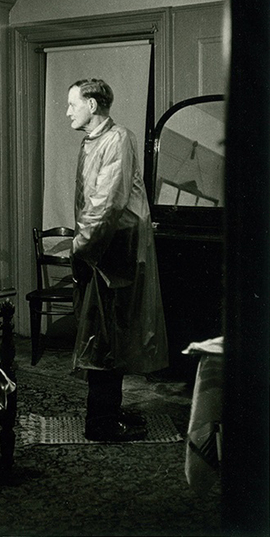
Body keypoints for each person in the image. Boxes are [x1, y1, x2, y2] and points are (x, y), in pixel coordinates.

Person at [66, 78, 168, 442]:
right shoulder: (93, 141)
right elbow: (91, 201)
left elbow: (107, 203)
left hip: (114, 253)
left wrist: (82, 247)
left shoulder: (118, 139)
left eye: (73, 105)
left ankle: (104, 421)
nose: (68, 113)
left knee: (110, 337)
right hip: (102, 250)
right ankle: (103, 419)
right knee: (103, 337)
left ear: (92, 105)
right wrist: (84, 247)